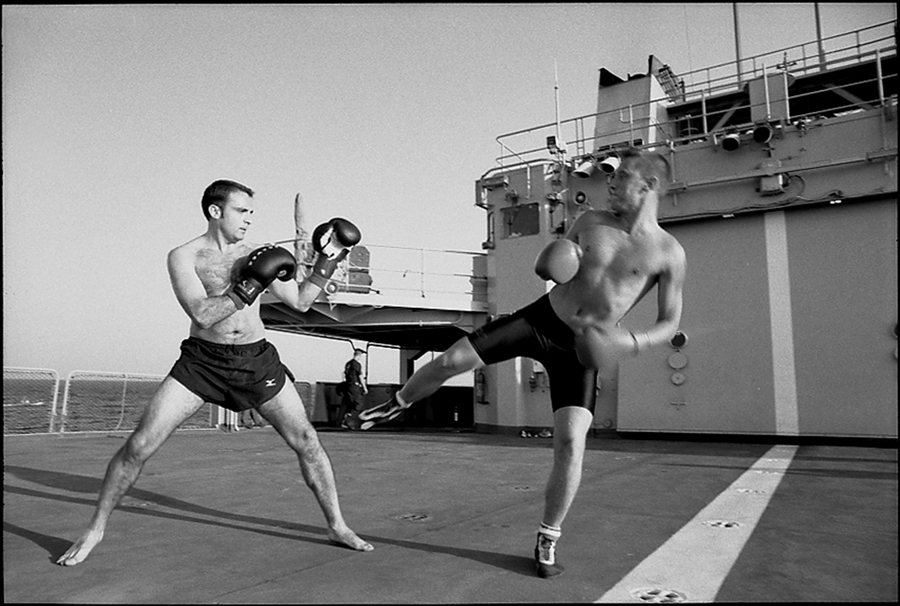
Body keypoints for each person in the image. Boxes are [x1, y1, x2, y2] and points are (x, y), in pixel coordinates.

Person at [358, 147, 686, 578]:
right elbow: (557, 264)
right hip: (539, 319)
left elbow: (669, 323)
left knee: (571, 445)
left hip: (583, 348)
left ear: (648, 186)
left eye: (620, 176)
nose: (609, 182)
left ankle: (548, 536)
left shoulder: (668, 253)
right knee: (453, 359)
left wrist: (632, 343)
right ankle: (397, 402)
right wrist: (556, 258)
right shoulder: (590, 222)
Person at [56, 180, 373, 566]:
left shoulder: (259, 253)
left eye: (252, 213)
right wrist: (251, 284)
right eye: (242, 211)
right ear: (215, 211)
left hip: (257, 361)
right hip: (203, 362)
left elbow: (303, 302)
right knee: (139, 445)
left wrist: (328, 260)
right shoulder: (184, 256)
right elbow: (202, 313)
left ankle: (337, 525)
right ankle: (95, 529)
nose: (249, 220)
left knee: (307, 440)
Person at [339, 348, 368, 430]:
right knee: (358, 404)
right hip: (354, 386)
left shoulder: (348, 363)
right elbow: (360, 376)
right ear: (359, 355)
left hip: (348, 386)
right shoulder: (356, 364)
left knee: (350, 404)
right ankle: (348, 421)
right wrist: (364, 387)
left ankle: (345, 420)